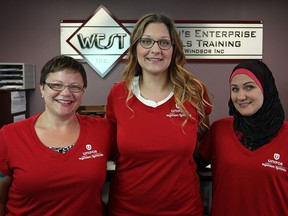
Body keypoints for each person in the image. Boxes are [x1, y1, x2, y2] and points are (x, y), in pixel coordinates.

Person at [106, 13, 212, 215]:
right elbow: (111, 147)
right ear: (135, 47)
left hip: (183, 209)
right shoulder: (118, 94)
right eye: (146, 41)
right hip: (126, 209)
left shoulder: (194, 92)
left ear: (174, 49)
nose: (155, 49)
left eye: (164, 42)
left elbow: (204, 142)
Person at [0, 55, 115, 215]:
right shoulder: (9, 135)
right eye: (56, 85)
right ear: (42, 88)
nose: (66, 93)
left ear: (82, 92)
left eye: (75, 87)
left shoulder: (103, 130)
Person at [199, 59, 288, 215]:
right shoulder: (219, 130)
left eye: (249, 87)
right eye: (235, 89)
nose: (240, 96)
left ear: (266, 89)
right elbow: (187, 165)